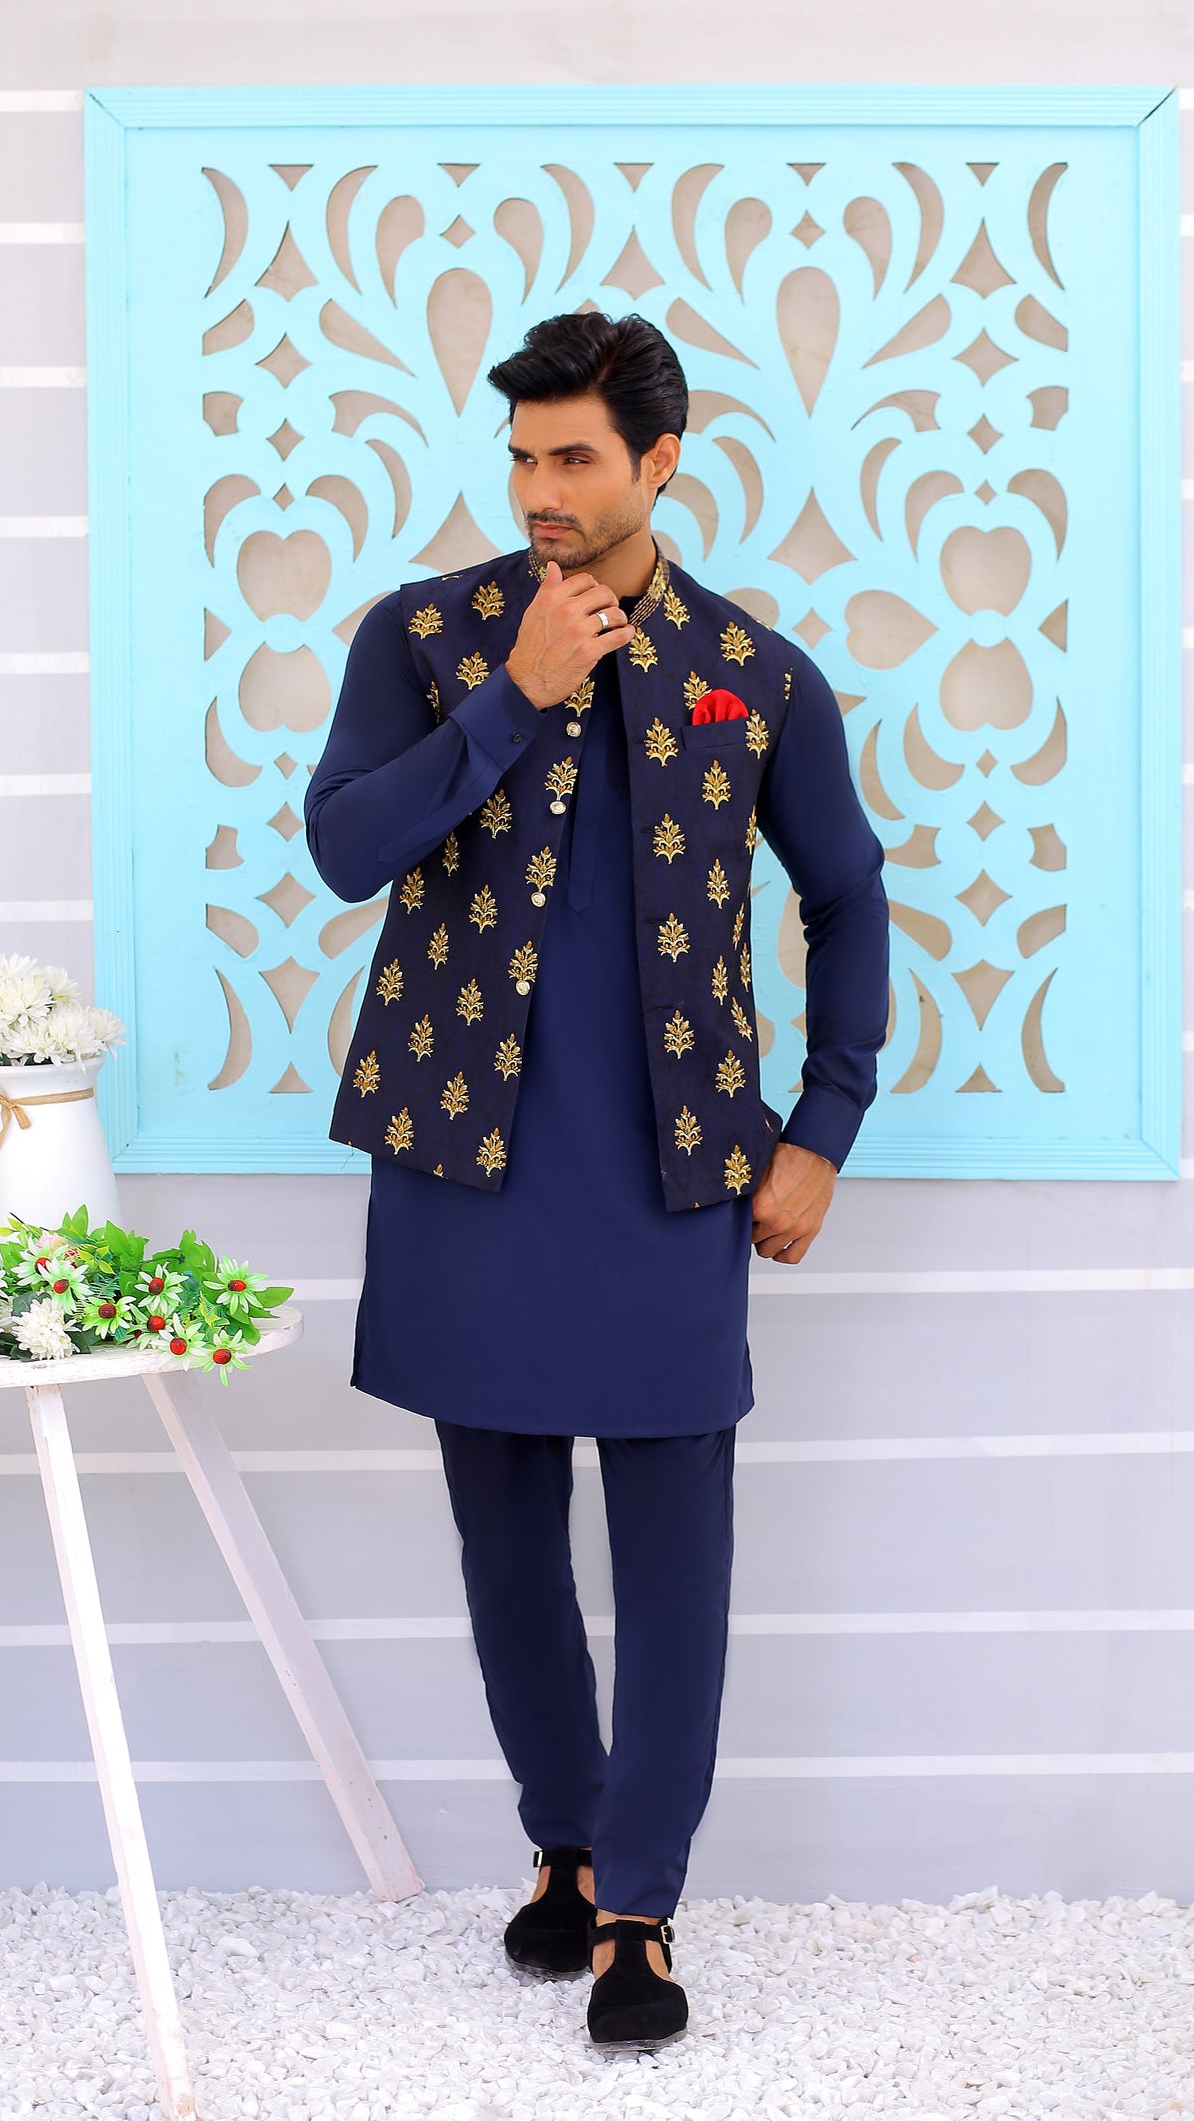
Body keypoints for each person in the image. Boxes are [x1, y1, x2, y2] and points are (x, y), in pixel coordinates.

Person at [304, 310, 890, 2052]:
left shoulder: (753, 673)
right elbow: (344, 848)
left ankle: (640, 1900)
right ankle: (562, 1847)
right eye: (522, 459)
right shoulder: (423, 639)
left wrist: (822, 1126)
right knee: (503, 1546)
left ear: (659, 462)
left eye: (573, 458)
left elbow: (846, 894)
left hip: (668, 1174)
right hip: (459, 1165)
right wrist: (515, 696)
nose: (540, 492)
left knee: (673, 1554)